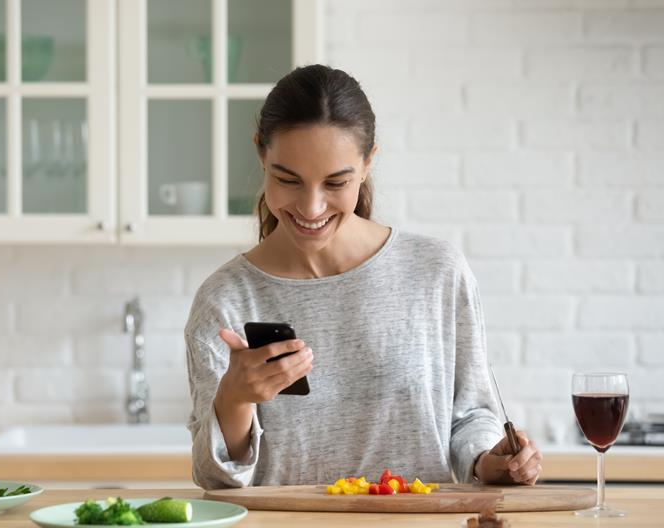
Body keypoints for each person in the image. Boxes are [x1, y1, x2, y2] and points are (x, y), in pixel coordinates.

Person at [184, 64, 542, 490]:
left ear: (369, 162)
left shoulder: (436, 272)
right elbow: (214, 479)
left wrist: (488, 461)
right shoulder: (225, 300)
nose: (312, 207)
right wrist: (235, 397)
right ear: (261, 153)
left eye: (336, 182)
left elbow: (470, 416)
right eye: (287, 179)